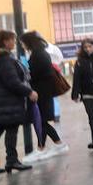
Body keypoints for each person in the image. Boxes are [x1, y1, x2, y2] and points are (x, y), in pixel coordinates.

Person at [0, 30, 36, 174]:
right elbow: (12, 82)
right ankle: (11, 160)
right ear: (5, 41)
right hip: (7, 101)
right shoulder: (4, 59)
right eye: (12, 39)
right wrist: (29, 92)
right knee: (11, 129)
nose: (14, 42)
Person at [19, 31, 69, 161]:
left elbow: (35, 75)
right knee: (41, 121)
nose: (22, 45)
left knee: (40, 120)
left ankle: (43, 148)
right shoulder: (40, 53)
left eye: (23, 43)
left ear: (29, 42)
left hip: (42, 93)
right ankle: (55, 145)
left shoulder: (38, 55)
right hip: (43, 92)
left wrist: (27, 74)